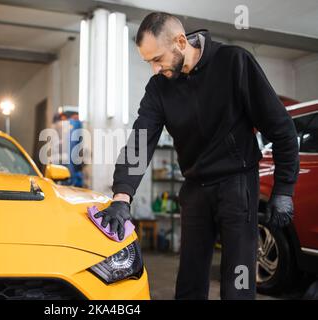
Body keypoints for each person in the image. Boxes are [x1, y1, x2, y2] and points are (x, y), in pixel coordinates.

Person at [94, 12, 299, 300]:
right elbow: (141, 140)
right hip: (195, 188)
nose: (155, 69)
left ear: (180, 42)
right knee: (189, 281)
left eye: (158, 59)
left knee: (237, 281)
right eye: (149, 62)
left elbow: (281, 127)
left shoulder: (233, 62)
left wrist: (284, 189)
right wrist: (121, 196)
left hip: (237, 185)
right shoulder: (159, 87)